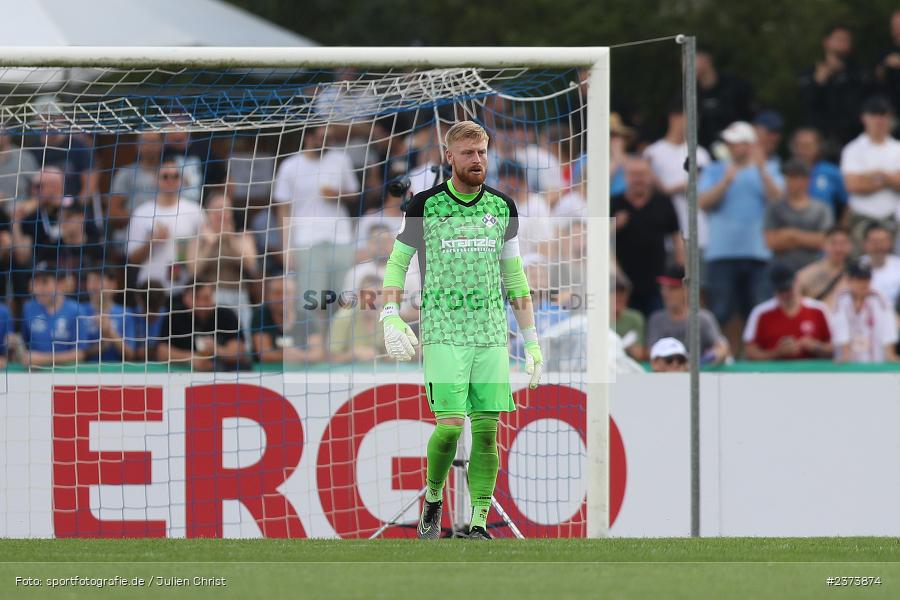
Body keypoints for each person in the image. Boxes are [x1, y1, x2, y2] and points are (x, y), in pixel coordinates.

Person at [379, 120, 543, 541]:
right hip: (443, 331)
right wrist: (390, 314)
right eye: (468, 153)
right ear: (449, 156)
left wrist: (532, 343)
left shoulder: (502, 207)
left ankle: (479, 523)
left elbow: (515, 277)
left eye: (482, 152)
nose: (477, 160)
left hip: (490, 335)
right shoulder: (424, 206)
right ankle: (433, 499)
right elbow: (397, 263)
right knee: (451, 426)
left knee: (487, 435)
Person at [699, 121, 784, 333]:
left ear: (750, 145)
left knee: (758, 311)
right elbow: (702, 203)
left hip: (758, 252)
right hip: (721, 252)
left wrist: (762, 169)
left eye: (735, 143)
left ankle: (753, 351)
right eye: (729, 142)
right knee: (721, 311)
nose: (730, 147)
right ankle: (719, 350)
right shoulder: (715, 169)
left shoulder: (769, 169)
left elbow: (778, 200)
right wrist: (725, 182)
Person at [273, 125, 359, 318]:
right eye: (322, 137)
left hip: (341, 237)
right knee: (313, 301)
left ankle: (340, 336)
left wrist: (338, 194)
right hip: (306, 240)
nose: (327, 142)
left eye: (330, 138)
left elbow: (355, 194)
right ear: (308, 137)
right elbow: (283, 209)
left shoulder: (341, 159)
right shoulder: (289, 166)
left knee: (346, 297)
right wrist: (286, 248)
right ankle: (316, 337)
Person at [611, 156, 683, 316]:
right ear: (625, 177)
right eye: (633, 174)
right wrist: (614, 226)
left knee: (657, 321)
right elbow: (598, 238)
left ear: (650, 176)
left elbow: (676, 237)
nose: (638, 179)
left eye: (642, 174)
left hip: (657, 281)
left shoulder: (663, 202)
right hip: (623, 284)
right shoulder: (613, 203)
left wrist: (680, 269)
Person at [126, 156, 205, 289]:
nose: (170, 180)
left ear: (181, 180)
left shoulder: (195, 211)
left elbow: (205, 250)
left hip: (185, 289)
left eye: (175, 176)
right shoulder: (142, 212)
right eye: (165, 176)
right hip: (150, 288)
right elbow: (132, 259)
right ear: (156, 180)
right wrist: (152, 242)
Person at [643, 100, 712, 252]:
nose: (694, 123)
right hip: (665, 235)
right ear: (674, 117)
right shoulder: (653, 153)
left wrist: (667, 189)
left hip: (698, 235)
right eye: (690, 117)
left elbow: (703, 186)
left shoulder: (701, 154)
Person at [192, 190, 258, 340]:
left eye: (226, 209)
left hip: (238, 298)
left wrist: (230, 239)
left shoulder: (243, 236)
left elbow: (250, 264)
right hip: (209, 300)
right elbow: (194, 270)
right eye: (217, 209)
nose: (222, 214)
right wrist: (211, 243)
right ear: (208, 213)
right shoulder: (199, 240)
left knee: (242, 342)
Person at [840, 96, 900, 245]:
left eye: (883, 115)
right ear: (864, 118)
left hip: (894, 219)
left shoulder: (897, 148)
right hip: (861, 219)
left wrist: (873, 176)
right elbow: (853, 185)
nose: (879, 120)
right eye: (874, 115)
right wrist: (889, 179)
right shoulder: (852, 149)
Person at [743, 263, 833, 361]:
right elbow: (750, 352)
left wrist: (816, 346)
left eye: (788, 288)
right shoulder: (760, 312)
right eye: (780, 290)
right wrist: (777, 353)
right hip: (775, 369)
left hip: (813, 368)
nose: (785, 294)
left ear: (797, 281)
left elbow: (836, 346)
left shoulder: (819, 309)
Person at [798, 25, 869, 147]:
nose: (843, 43)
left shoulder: (860, 74)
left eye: (846, 40)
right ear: (826, 42)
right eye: (839, 39)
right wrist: (818, 83)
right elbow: (806, 102)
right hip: (821, 141)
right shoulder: (811, 73)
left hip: (853, 139)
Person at [156, 277, 245, 371]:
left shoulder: (226, 315)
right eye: (196, 298)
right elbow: (162, 352)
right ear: (185, 298)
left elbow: (239, 352)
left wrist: (216, 350)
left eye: (206, 298)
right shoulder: (174, 316)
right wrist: (191, 358)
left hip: (223, 373)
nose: (202, 304)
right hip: (182, 374)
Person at [645, 265, 729, 365]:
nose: (666, 293)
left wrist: (705, 360)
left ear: (686, 290)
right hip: (666, 371)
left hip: (698, 370)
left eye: (673, 288)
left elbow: (721, 348)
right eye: (664, 288)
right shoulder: (656, 319)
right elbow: (651, 352)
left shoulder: (703, 318)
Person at [763, 159, 833, 272]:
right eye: (788, 177)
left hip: (812, 270)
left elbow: (824, 241)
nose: (789, 182)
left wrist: (791, 235)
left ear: (806, 180)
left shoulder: (821, 208)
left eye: (794, 177)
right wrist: (808, 239)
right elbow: (770, 242)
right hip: (780, 271)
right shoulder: (775, 207)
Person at [21, 263, 92, 367]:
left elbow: (81, 354)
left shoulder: (76, 310)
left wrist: (43, 359)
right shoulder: (28, 308)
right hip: (35, 372)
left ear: (60, 284)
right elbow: (24, 344)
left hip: (67, 373)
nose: (38, 289)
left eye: (44, 282)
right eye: (35, 283)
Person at [832, 260, 898, 363]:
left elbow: (888, 328)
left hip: (875, 360)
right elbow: (841, 328)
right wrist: (845, 354)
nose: (863, 284)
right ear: (849, 280)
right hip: (849, 361)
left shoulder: (880, 300)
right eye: (859, 280)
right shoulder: (841, 299)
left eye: (866, 279)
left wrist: (890, 354)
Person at [251, 274, 324, 364]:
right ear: (268, 295)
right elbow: (264, 355)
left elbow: (317, 354)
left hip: (299, 370)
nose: (282, 298)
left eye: (287, 293)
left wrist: (294, 354)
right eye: (277, 293)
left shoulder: (307, 318)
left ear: (295, 295)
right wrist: (302, 356)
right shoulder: (260, 316)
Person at [695, 47, 756, 148]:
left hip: (736, 149)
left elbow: (750, 117)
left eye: (689, 60)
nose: (684, 66)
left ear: (707, 60)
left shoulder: (735, 86)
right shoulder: (688, 94)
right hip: (703, 152)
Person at [789, 127, 847, 220]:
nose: (802, 150)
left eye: (807, 146)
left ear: (818, 148)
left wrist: (842, 225)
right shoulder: (785, 171)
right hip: (789, 225)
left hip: (823, 226)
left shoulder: (831, 172)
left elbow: (848, 201)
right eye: (799, 145)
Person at [329, 274, 385, 363]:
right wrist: (354, 353)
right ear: (359, 296)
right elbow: (329, 358)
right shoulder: (344, 318)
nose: (375, 300)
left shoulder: (387, 319)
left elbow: (392, 357)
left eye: (379, 295)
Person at [796, 227, 852, 310]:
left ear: (850, 246)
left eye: (843, 243)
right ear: (824, 244)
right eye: (833, 243)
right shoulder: (806, 274)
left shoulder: (857, 275)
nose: (838, 249)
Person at [862, 223, 900, 306]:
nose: (879, 246)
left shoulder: (898, 266)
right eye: (874, 242)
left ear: (890, 243)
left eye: (883, 241)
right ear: (865, 244)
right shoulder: (856, 266)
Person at [612, 273, 645, 361]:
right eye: (614, 292)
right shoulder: (598, 318)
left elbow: (639, 354)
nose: (618, 297)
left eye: (621, 292)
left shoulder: (635, 318)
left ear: (627, 295)